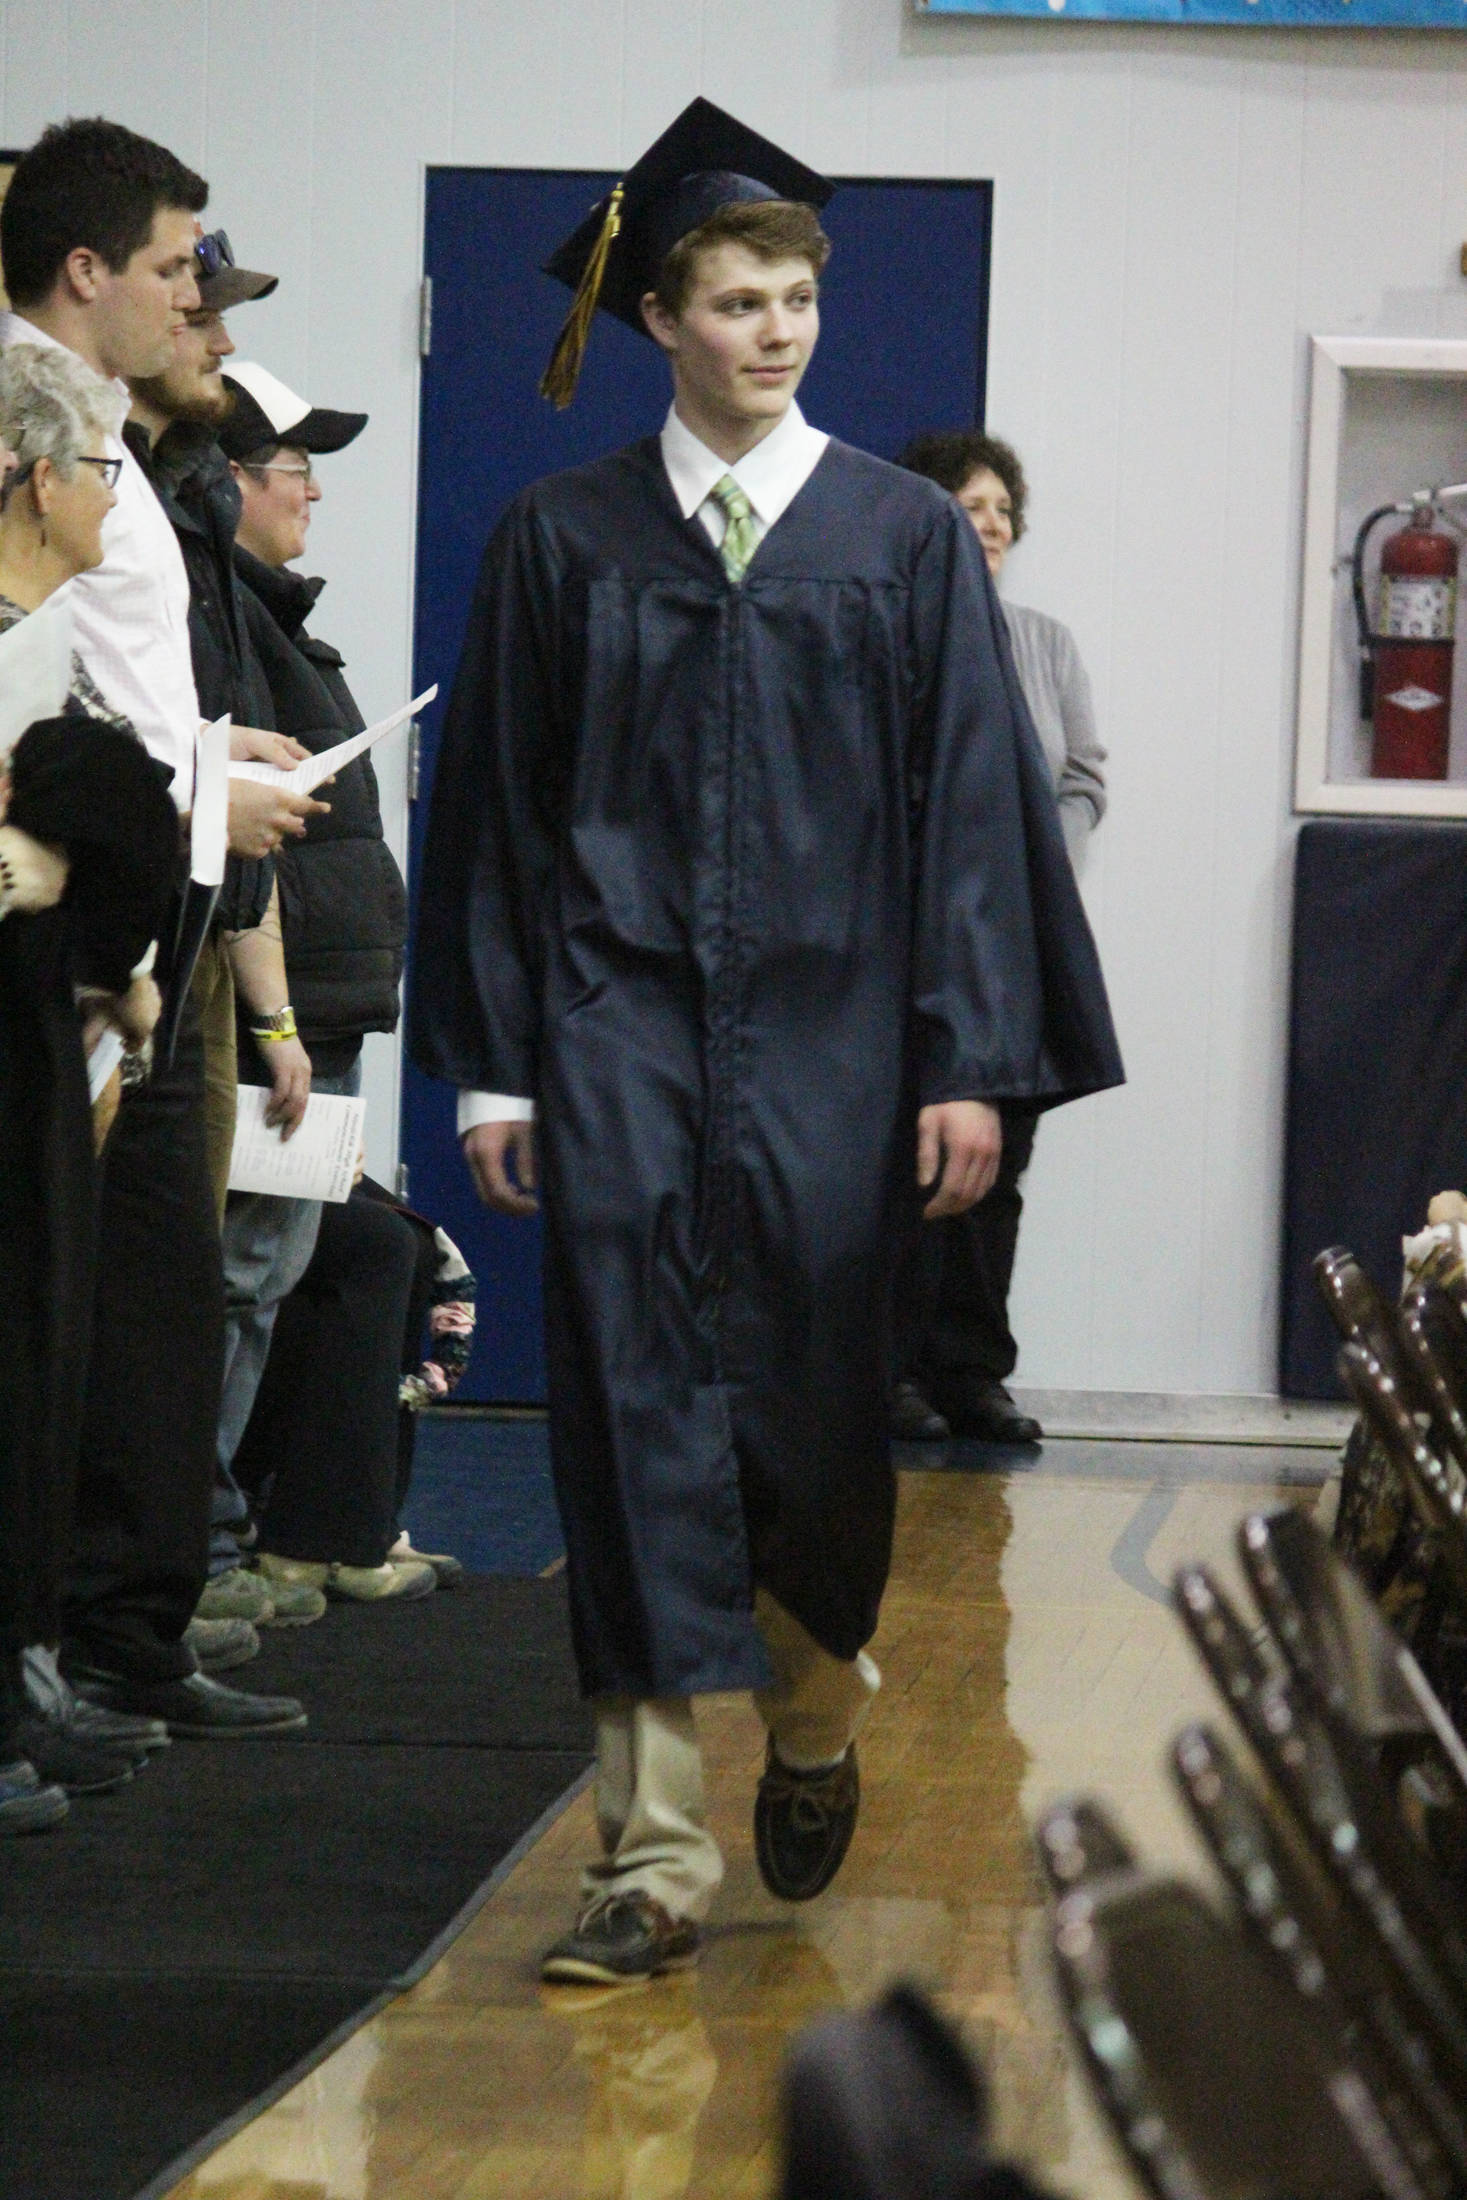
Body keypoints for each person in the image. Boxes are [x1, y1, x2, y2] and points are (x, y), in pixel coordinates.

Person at [410, 99, 1122, 1986]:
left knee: (812, 1429)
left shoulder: (900, 539)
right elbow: (498, 812)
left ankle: (813, 1713)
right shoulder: (561, 539)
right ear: (658, 319)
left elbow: (973, 817)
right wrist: (497, 1062)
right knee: (625, 1418)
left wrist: (968, 1058)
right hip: (616, 1033)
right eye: (737, 302)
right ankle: (646, 1857)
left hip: (835, 1051)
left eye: (797, 299)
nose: (776, 331)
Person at [0, 115, 313, 1737]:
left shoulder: (100, 431)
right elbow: (37, 696)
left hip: (140, 887)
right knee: (65, 1297)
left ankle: (114, 1626)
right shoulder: (27, 418)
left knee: (139, 1292)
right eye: (178, 267)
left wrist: (208, 756)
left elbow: (112, 685)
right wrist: (197, 795)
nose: (197, 300)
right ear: (85, 269)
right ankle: (53, 1644)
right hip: (60, 904)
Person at [208, 359, 435, 1605]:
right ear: (228, 479)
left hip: (315, 1013)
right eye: (297, 469)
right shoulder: (229, 623)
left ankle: (216, 1543)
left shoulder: (276, 616)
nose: (314, 494)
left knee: (270, 1277)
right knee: (240, 1280)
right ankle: (194, 1557)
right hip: (273, 1017)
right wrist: (277, 1015)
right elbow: (243, 840)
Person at [0, 346, 179, 1806]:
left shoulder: (41, 637)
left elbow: (104, 828)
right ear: (39, 480)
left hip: (38, 1024)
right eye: (101, 472)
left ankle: (24, 1671)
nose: (115, 500)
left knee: (42, 1353)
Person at [891, 431, 1108, 1448]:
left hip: (1020, 942)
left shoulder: (1046, 643)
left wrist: (1034, 872)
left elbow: (1084, 779)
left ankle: (972, 1373)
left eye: (1002, 511)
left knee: (997, 1169)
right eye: (967, 506)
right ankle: (889, 1371)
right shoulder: (888, 628)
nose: (989, 526)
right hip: (907, 940)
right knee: (903, 1163)